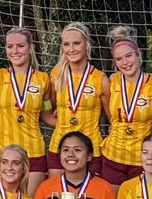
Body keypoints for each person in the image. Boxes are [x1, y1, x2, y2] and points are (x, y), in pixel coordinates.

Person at [0, 27, 51, 197]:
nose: (15, 51)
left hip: (33, 151)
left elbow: (47, 115)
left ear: (31, 47)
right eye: (10, 46)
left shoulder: (44, 80)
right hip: (2, 150)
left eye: (20, 46)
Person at [100, 25, 152, 190]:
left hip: (142, 159)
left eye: (129, 56)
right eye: (119, 59)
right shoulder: (112, 80)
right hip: (113, 156)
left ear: (138, 55)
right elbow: (107, 110)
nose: (125, 62)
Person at [45, 22, 108, 179]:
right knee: (57, 197)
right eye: (66, 44)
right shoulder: (55, 76)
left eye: (76, 43)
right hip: (59, 145)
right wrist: (61, 122)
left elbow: (111, 115)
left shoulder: (100, 79)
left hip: (91, 147)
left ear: (86, 44)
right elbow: (48, 107)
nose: (71, 49)